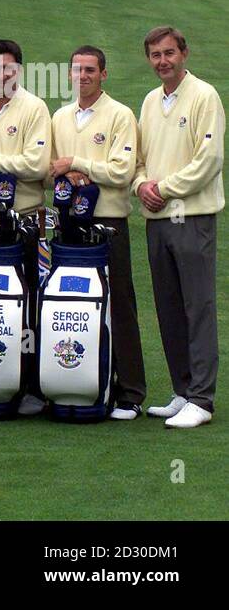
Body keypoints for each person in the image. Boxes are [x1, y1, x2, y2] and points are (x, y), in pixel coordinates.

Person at [133, 26, 223, 429]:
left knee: (197, 306)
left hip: (193, 217)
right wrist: (141, 186)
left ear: (184, 53)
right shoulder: (151, 101)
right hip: (156, 219)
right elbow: (138, 159)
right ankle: (182, 391)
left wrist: (163, 189)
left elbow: (208, 161)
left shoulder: (204, 96)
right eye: (155, 55)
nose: (162, 61)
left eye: (169, 53)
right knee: (169, 309)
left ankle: (202, 399)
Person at [49, 45, 145, 420]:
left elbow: (122, 171)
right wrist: (67, 172)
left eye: (91, 70)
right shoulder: (60, 116)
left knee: (118, 304)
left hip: (109, 222)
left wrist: (77, 163)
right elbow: (50, 169)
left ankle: (131, 392)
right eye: (78, 70)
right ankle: (82, 382)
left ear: (104, 74)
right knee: (73, 307)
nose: (84, 76)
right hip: (69, 222)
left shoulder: (120, 114)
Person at [0, 39, 51, 415]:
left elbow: (37, 164)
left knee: (28, 305)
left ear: (20, 70)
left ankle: (31, 386)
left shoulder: (34, 108)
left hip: (24, 221)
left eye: (9, 69)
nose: (1, 75)